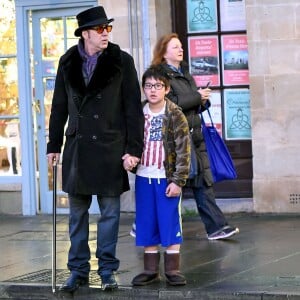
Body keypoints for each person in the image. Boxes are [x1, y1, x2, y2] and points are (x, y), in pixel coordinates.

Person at [46, 6, 144, 292]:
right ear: (85, 34)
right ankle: (77, 270)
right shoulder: (67, 62)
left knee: (110, 214)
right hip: (78, 148)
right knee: (77, 215)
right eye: (100, 30)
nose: (105, 34)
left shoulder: (122, 61)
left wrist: (133, 149)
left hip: (110, 148)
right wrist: (54, 145)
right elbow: (59, 108)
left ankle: (107, 271)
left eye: (108, 29)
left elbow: (133, 111)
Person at [151, 33, 239, 241]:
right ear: (163, 53)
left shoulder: (185, 72)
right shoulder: (159, 76)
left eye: (181, 46)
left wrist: (203, 101)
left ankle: (217, 227)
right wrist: (196, 97)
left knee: (203, 183)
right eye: (175, 47)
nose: (180, 50)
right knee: (172, 186)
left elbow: (190, 105)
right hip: (176, 141)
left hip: (195, 136)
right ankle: (149, 226)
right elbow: (171, 103)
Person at [129, 66, 190, 287]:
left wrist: (178, 181)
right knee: (147, 221)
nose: (152, 90)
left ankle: (173, 269)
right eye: (148, 86)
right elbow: (131, 141)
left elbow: (184, 150)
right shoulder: (138, 114)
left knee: (169, 219)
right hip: (144, 176)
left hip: (166, 177)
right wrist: (128, 157)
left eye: (157, 86)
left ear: (166, 88)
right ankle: (150, 269)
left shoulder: (175, 114)